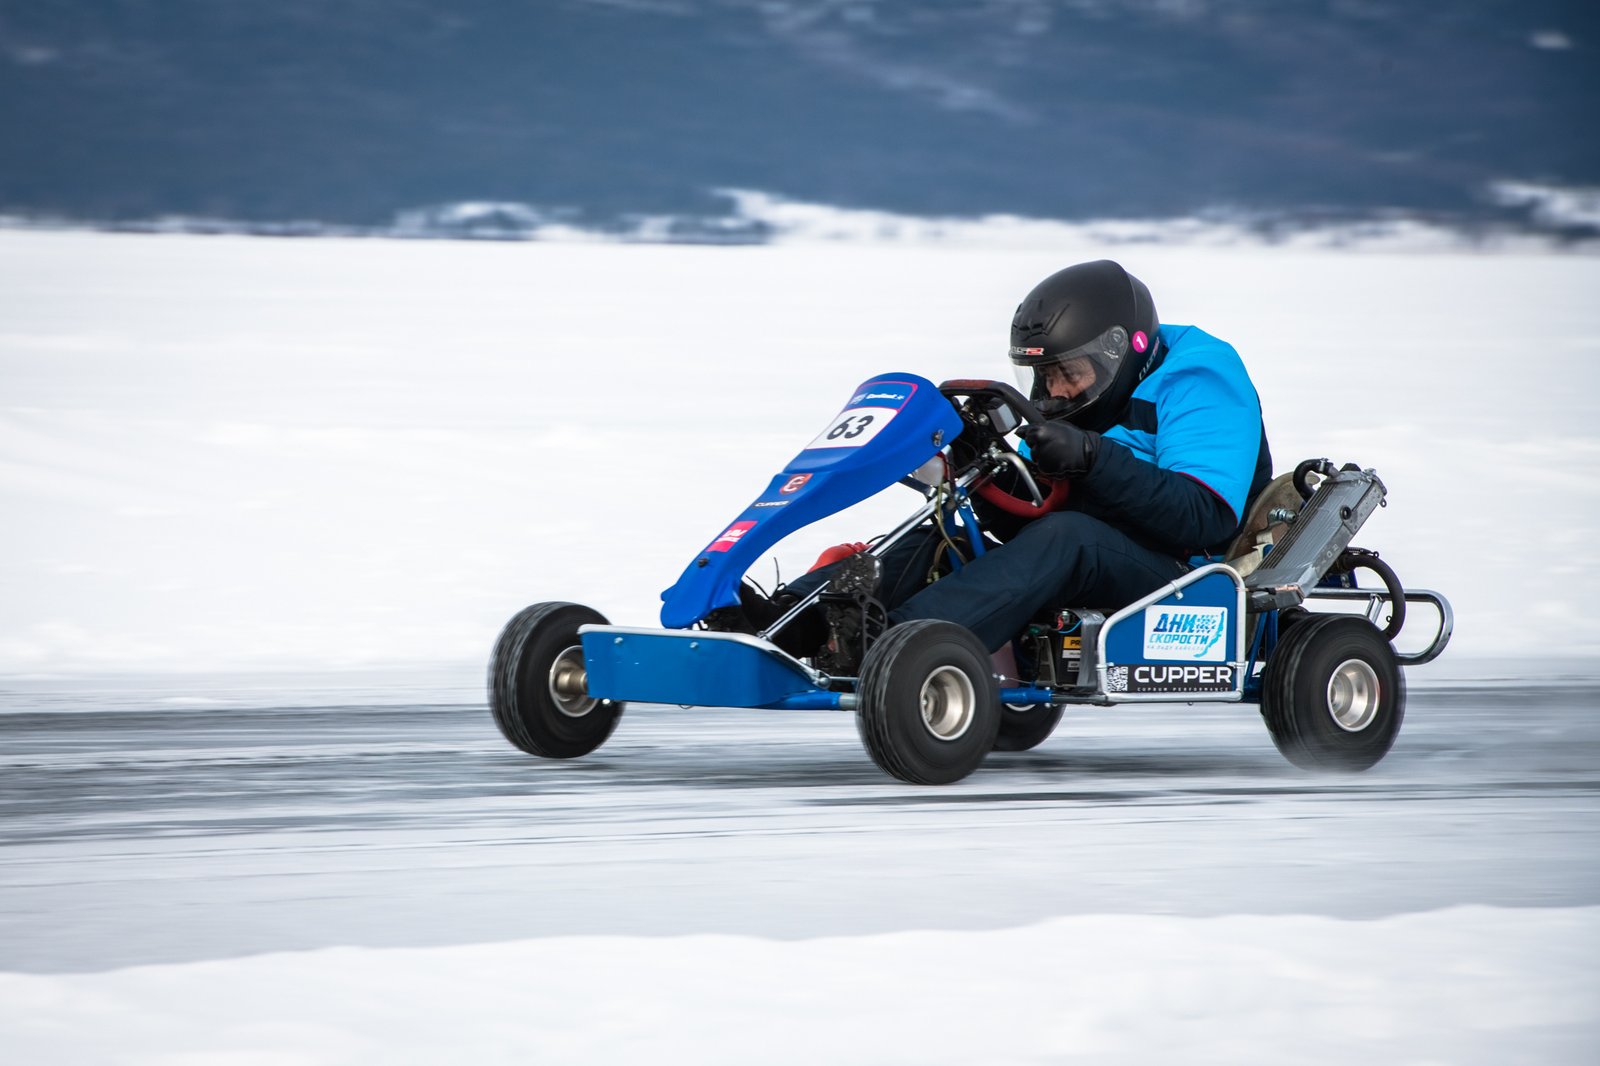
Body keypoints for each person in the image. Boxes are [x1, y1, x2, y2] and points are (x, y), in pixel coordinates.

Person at [749, 259, 1272, 668]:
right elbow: (1025, 515)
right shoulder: (1078, 402)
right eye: (1041, 378)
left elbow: (1203, 516)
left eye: (1068, 374)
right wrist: (980, 467)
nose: (1053, 393)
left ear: (1120, 353)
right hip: (1088, 549)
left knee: (1071, 536)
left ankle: (899, 645)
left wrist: (1093, 458)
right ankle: (790, 622)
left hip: (1189, 573)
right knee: (946, 532)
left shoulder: (1200, 378)